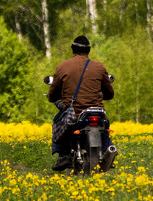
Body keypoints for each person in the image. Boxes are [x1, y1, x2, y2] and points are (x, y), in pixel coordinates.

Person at [49, 35, 114, 171]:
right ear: (88, 50)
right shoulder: (99, 66)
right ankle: (108, 150)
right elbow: (110, 93)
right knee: (105, 126)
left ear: (73, 49)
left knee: (57, 120)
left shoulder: (62, 67)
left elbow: (53, 94)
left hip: (75, 112)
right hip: (97, 111)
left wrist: (56, 99)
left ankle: (63, 155)